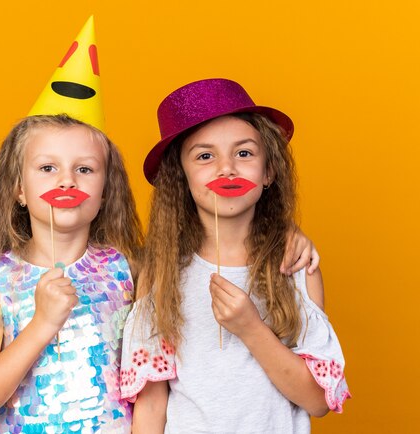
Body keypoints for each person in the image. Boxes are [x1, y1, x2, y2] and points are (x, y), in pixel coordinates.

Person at [121, 78, 350, 433]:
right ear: (181, 177)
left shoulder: (296, 266)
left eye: (244, 153)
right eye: (205, 156)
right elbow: (151, 404)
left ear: (268, 171)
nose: (226, 169)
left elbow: (318, 400)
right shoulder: (161, 272)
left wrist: (251, 328)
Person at [0, 114, 144, 433]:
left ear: (106, 191)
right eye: (47, 168)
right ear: (19, 191)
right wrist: (43, 322)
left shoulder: (126, 269)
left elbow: (152, 383)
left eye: (84, 169)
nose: (67, 181)